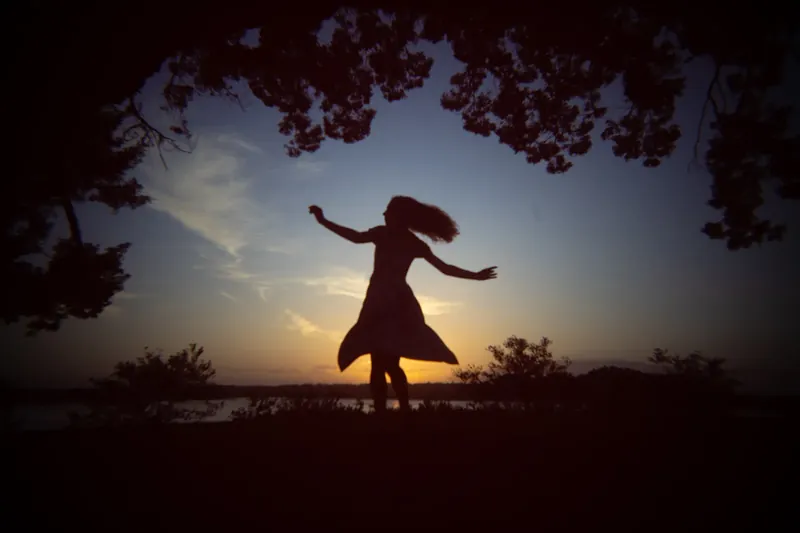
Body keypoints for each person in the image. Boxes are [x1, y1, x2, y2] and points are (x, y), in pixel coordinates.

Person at [309, 196, 497, 413]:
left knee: (382, 361)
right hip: (383, 301)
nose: (384, 214)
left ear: (399, 215)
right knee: (384, 361)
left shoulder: (401, 239)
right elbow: (355, 237)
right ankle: (395, 411)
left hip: (392, 303)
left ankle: (394, 411)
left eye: (388, 210)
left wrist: (475, 276)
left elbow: (444, 268)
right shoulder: (394, 237)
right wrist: (323, 221)